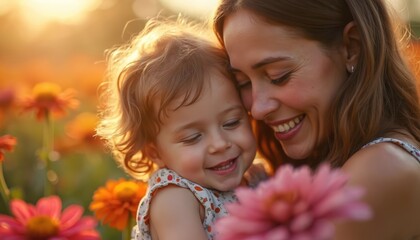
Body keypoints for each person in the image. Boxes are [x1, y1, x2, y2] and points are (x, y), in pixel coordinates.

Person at [212, 0, 420, 239]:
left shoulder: (382, 170)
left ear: (352, 47)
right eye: (244, 83)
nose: (257, 109)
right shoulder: (328, 158)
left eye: (278, 76)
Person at [96, 17, 258, 240]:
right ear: (155, 152)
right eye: (193, 137)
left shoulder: (256, 178)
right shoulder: (175, 198)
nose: (220, 144)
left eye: (231, 122)